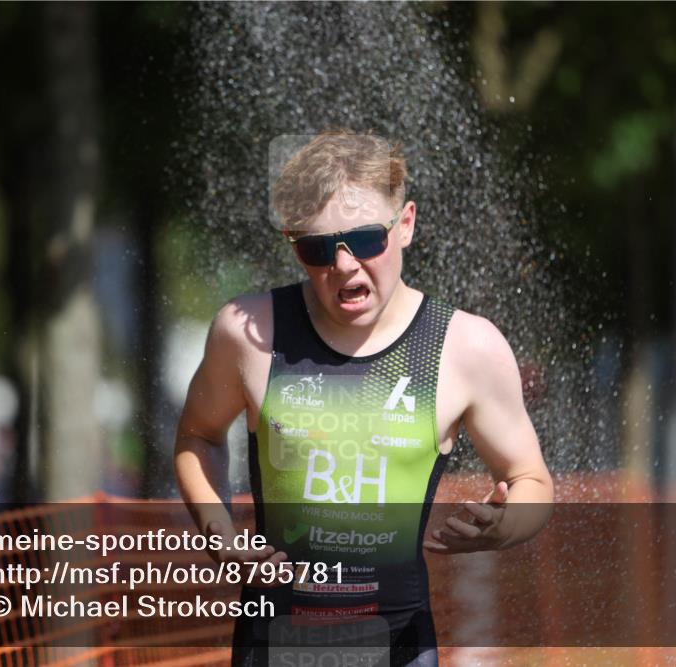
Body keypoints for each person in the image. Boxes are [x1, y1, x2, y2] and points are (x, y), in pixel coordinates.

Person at [174, 130, 553, 667]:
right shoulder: (249, 332)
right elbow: (198, 435)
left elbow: (531, 480)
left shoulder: (466, 347)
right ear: (294, 245)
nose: (345, 265)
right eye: (318, 248)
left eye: (366, 240)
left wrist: (505, 525)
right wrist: (219, 530)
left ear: (406, 225)